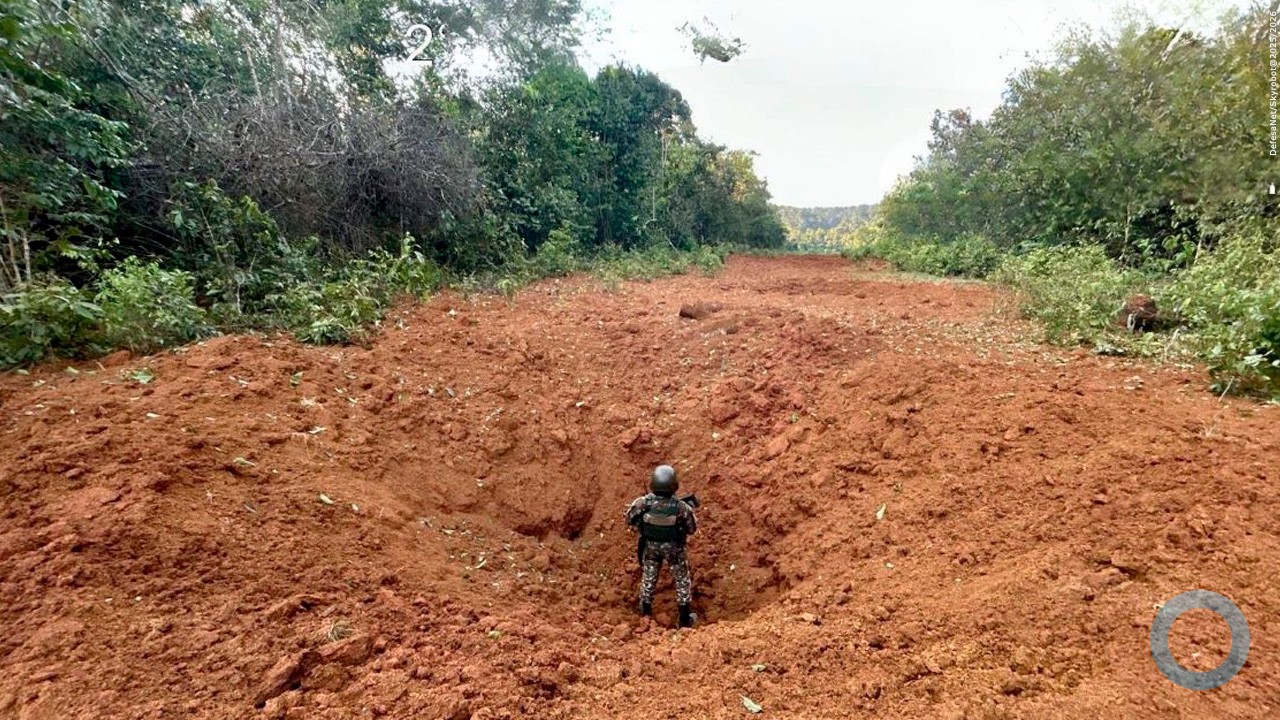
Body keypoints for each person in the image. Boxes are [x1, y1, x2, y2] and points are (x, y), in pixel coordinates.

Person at [625, 464, 698, 628]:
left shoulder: (642, 503)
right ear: (674, 485)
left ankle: (645, 612)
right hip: (674, 549)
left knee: (649, 576)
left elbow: (629, 519)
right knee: (682, 579)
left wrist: (644, 523)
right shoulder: (682, 507)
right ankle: (685, 618)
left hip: (651, 546)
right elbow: (692, 529)